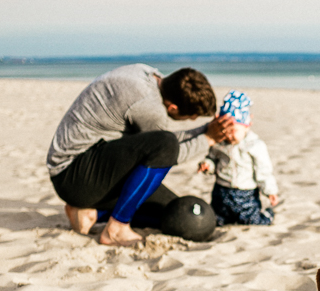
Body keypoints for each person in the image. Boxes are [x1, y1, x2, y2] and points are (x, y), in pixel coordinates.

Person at [47, 64, 234, 246]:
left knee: (177, 213)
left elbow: (155, 142)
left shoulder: (146, 73)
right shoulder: (150, 106)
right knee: (165, 145)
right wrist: (208, 139)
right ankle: (116, 228)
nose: (190, 120)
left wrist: (207, 131)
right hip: (74, 176)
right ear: (173, 108)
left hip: (88, 167)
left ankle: (92, 214)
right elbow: (167, 152)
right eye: (190, 117)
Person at [198, 90, 279, 226]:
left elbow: (263, 170)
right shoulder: (219, 143)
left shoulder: (255, 145)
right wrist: (207, 165)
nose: (229, 136)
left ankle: (267, 215)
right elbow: (212, 158)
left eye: (234, 131)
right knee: (217, 219)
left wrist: (270, 191)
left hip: (246, 194)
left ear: (247, 126)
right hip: (221, 191)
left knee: (251, 220)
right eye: (226, 131)